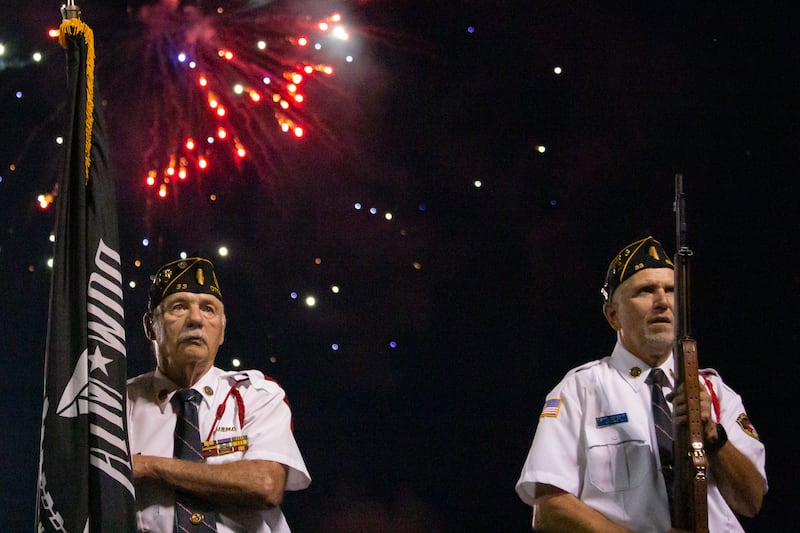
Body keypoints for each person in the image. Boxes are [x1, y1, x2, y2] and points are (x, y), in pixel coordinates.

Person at [515, 236, 767, 532]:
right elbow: (549, 509)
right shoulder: (580, 391)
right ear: (613, 315)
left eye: (671, 290)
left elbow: (751, 502)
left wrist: (713, 435)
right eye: (646, 291)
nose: (662, 301)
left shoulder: (714, 392)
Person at [127, 255, 310, 532]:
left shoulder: (256, 396)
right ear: (150, 326)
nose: (196, 319)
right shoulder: (117, 403)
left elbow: (266, 485)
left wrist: (150, 467)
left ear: (222, 331)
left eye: (209, 309)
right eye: (179, 307)